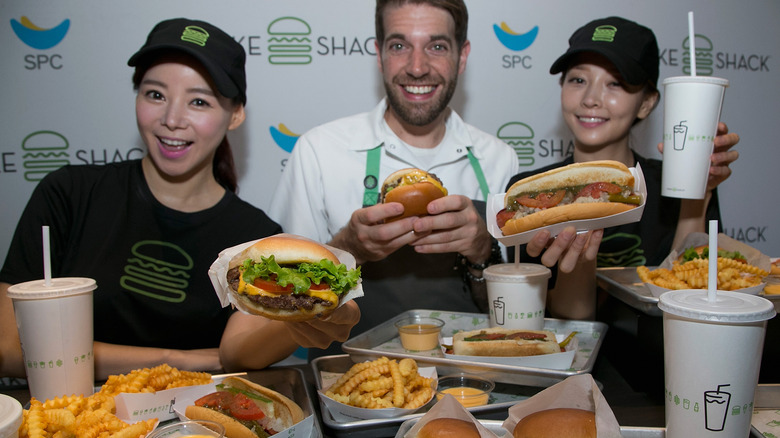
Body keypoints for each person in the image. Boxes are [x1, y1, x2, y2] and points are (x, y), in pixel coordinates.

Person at [0, 18, 359, 380]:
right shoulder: (69, 194)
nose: (172, 119)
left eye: (199, 102)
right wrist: (184, 360)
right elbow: (10, 350)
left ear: (235, 114)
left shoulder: (254, 236)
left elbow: (235, 355)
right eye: (155, 94)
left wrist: (305, 320)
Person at [268, 0, 518, 356]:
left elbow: (514, 317)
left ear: (462, 56)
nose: (417, 67)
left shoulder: (498, 159)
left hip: (470, 383)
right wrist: (348, 249)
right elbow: (280, 304)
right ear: (379, 54)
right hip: (349, 383)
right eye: (399, 46)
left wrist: (482, 250)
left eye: (437, 46)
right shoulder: (319, 151)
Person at [506, 17, 739, 320]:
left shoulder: (676, 185)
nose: (591, 99)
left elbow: (690, 301)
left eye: (615, 83)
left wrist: (699, 192)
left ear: (646, 103)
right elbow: (570, 320)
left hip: (659, 357)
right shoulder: (531, 193)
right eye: (578, 80)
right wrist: (578, 245)